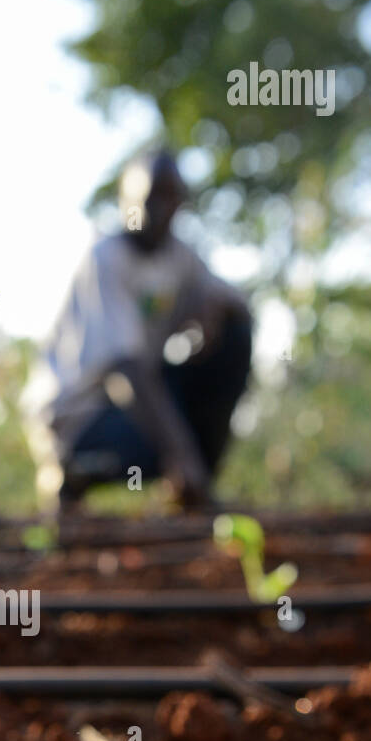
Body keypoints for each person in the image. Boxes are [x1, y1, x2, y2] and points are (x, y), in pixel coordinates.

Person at [41, 150, 252, 510]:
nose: (163, 208)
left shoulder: (180, 258)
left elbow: (237, 303)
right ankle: (74, 470)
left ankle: (193, 490)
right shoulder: (105, 259)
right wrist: (181, 451)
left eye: (173, 197)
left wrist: (214, 312)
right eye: (153, 195)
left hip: (143, 406)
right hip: (84, 418)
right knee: (157, 423)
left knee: (236, 336)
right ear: (127, 200)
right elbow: (126, 371)